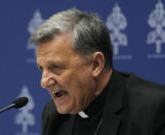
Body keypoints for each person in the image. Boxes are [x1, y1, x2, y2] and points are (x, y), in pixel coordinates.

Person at [30, 9, 165, 135]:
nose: (44, 82)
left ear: (96, 64)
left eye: (56, 67)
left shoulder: (155, 109)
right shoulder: (53, 115)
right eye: (41, 69)